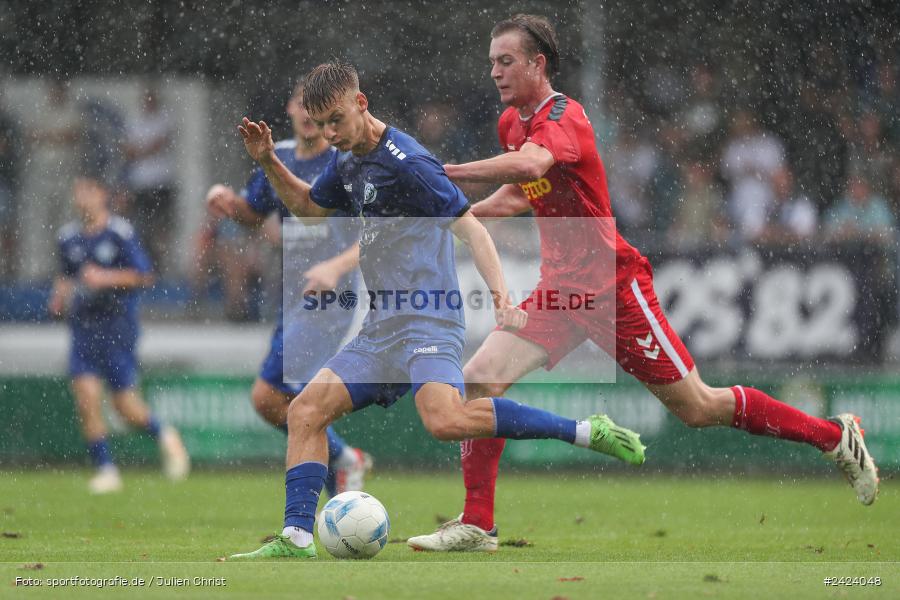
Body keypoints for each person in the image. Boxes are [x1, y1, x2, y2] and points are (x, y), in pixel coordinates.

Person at [407, 14, 878, 554]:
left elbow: (535, 161)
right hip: (560, 292)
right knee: (480, 379)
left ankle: (835, 437)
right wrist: (465, 217)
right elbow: (524, 189)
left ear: (538, 64)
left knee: (699, 408)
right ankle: (478, 524)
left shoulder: (567, 117)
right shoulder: (511, 126)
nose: (495, 71)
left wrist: (452, 173)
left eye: (506, 61)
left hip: (612, 290)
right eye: (492, 62)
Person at [228, 60, 645, 560]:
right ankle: (296, 539)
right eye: (321, 125)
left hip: (430, 318)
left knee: (444, 422)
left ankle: (584, 430)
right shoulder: (348, 160)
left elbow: (472, 230)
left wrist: (502, 299)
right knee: (305, 411)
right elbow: (310, 211)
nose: (330, 134)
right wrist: (270, 160)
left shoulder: (409, 162)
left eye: (337, 120)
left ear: (361, 103)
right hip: (382, 328)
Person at [204, 81, 372, 496]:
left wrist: (335, 266)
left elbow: (376, 233)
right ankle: (342, 470)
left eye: (318, 106)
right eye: (302, 103)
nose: (308, 113)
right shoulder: (275, 157)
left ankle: (310, 507)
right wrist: (228, 202)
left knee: (272, 394)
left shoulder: (343, 161)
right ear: (291, 109)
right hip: (290, 296)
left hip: (329, 299)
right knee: (279, 401)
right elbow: (253, 213)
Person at [48, 177, 190, 494]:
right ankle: (106, 469)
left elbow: (144, 275)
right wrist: (58, 297)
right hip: (83, 329)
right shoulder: (68, 238)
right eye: (78, 192)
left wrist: (105, 278)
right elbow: (66, 277)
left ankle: (165, 434)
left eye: (87, 191)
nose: (82, 198)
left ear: (101, 195)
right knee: (86, 398)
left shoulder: (119, 233)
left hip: (116, 330)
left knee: (125, 407)